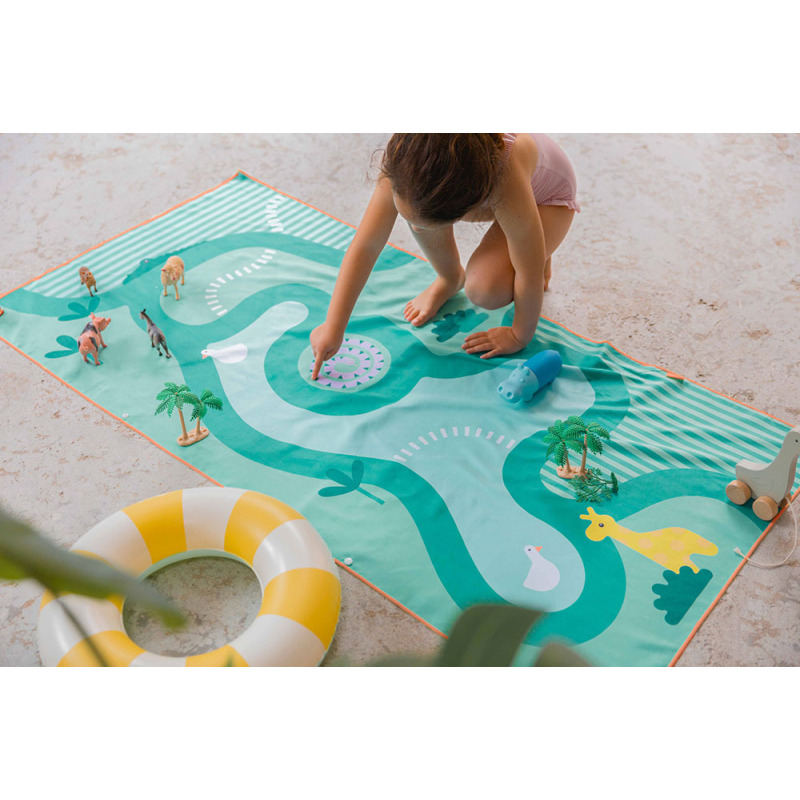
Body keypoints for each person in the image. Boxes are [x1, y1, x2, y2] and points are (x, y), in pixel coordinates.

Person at [310, 133, 580, 379]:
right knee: (421, 217)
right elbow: (366, 245)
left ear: (467, 207)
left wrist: (519, 335)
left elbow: (528, 271)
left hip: (547, 199)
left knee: (486, 290)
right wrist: (334, 325)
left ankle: (540, 239)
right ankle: (450, 278)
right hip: (503, 190)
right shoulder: (405, 160)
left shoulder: (505, 178)